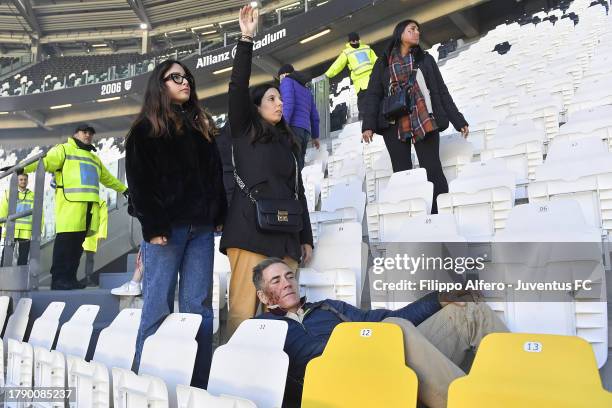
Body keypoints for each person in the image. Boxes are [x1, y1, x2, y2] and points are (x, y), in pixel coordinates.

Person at [252, 258, 508, 408]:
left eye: (289, 276)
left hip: (386, 360)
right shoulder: (263, 329)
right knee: (394, 330)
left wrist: (439, 299)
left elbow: (388, 319)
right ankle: (471, 402)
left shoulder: (329, 307)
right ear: (262, 295)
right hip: (343, 385)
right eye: (276, 280)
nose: (287, 283)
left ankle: (514, 391)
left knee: (469, 309)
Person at [125, 58, 227, 388]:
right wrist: (153, 228)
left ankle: (197, 386)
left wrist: (217, 214)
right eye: (176, 77)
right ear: (160, 85)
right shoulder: (144, 130)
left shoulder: (201, 128)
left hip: (200, 230)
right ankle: (143, 385)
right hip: (166, 232)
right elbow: (140, 184)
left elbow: (214, 177)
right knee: (156, 308)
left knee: (198, 310)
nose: (185, 82)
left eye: (188, 78)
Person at [219, 5, 314, 338]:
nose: (279, 103)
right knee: (244, 313)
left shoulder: (289, 143)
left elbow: (298, 192)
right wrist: (246, 39)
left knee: (288, 313)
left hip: (286, 236)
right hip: (249, 232)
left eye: (280, 99)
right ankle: (231, 376)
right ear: (256, 108)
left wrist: (306, 238)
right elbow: (236, 87)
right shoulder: (245, 131)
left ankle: (286, 377)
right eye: (271, 99)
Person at [361, 19, 469, 214]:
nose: (417, 33)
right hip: (394, 123)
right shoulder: (383, 62)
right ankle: (410, 215)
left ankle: (438, 215)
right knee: (403, 174)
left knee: (433, 170)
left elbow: (441, 91)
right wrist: (368, 124)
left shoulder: (426, 59)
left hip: (423, 118)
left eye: (418, 30)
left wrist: (458, 120)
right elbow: (373, 94)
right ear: (400, 33)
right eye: (412, 29)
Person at [24, 124, 127, 290]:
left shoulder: (94, 159)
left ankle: (70, 278)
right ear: (75, 134)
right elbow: (45, 162)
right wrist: (22, 168)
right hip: (70, 206)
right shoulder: (63, 150)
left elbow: (108, 178)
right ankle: (58, 280)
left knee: (77, 246)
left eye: (90, 133)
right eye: (84, 132)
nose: (88, 135)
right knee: (65, 244)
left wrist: (124, 189)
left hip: (88, 209)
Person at [325, 32, 377, 118]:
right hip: (364, 84)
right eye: (353, 41)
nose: (356, 42)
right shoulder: (347, 52)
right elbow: (338, 65)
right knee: (367, 106)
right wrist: (327, 75)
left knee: (368, 105)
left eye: (357, 40)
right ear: (349, 41)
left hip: (370, 81)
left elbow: (377, 62)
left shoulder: (367, 48)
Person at [278, 64, 320, 169]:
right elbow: (314, 114)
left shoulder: (286, 82)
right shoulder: (306, 89)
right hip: (305, 132)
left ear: (284, 75)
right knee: (299, 163)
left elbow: (288, 103)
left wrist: (283, 124)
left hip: (293, 128)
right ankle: (298, 185)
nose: (280, 80)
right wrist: (315, 136)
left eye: (280, 77)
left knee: (290, 162)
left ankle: (293, 185)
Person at [0, 172, 39, 265]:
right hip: (11, 230)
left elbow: (39, 212)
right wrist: (1, 225)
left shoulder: (32, 195)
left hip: (26, 232)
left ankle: (21, 278)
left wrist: (39, 228)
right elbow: (3, 209)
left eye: (25, 179)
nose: (23, 181)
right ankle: (3, 276)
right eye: (21, 179)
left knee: (23, 257)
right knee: (6, 255)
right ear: (17, 181)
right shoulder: (9, 194)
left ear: (27, 181)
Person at [81, 198, 108, 285]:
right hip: (87, 232)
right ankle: (87, 278)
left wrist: (101, 234)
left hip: (89, 233)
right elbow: (103, 218)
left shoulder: (100, 202)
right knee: (88, 258)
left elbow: (103, 219)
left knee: (88, 258)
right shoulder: (100, 202)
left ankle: (87, 278)